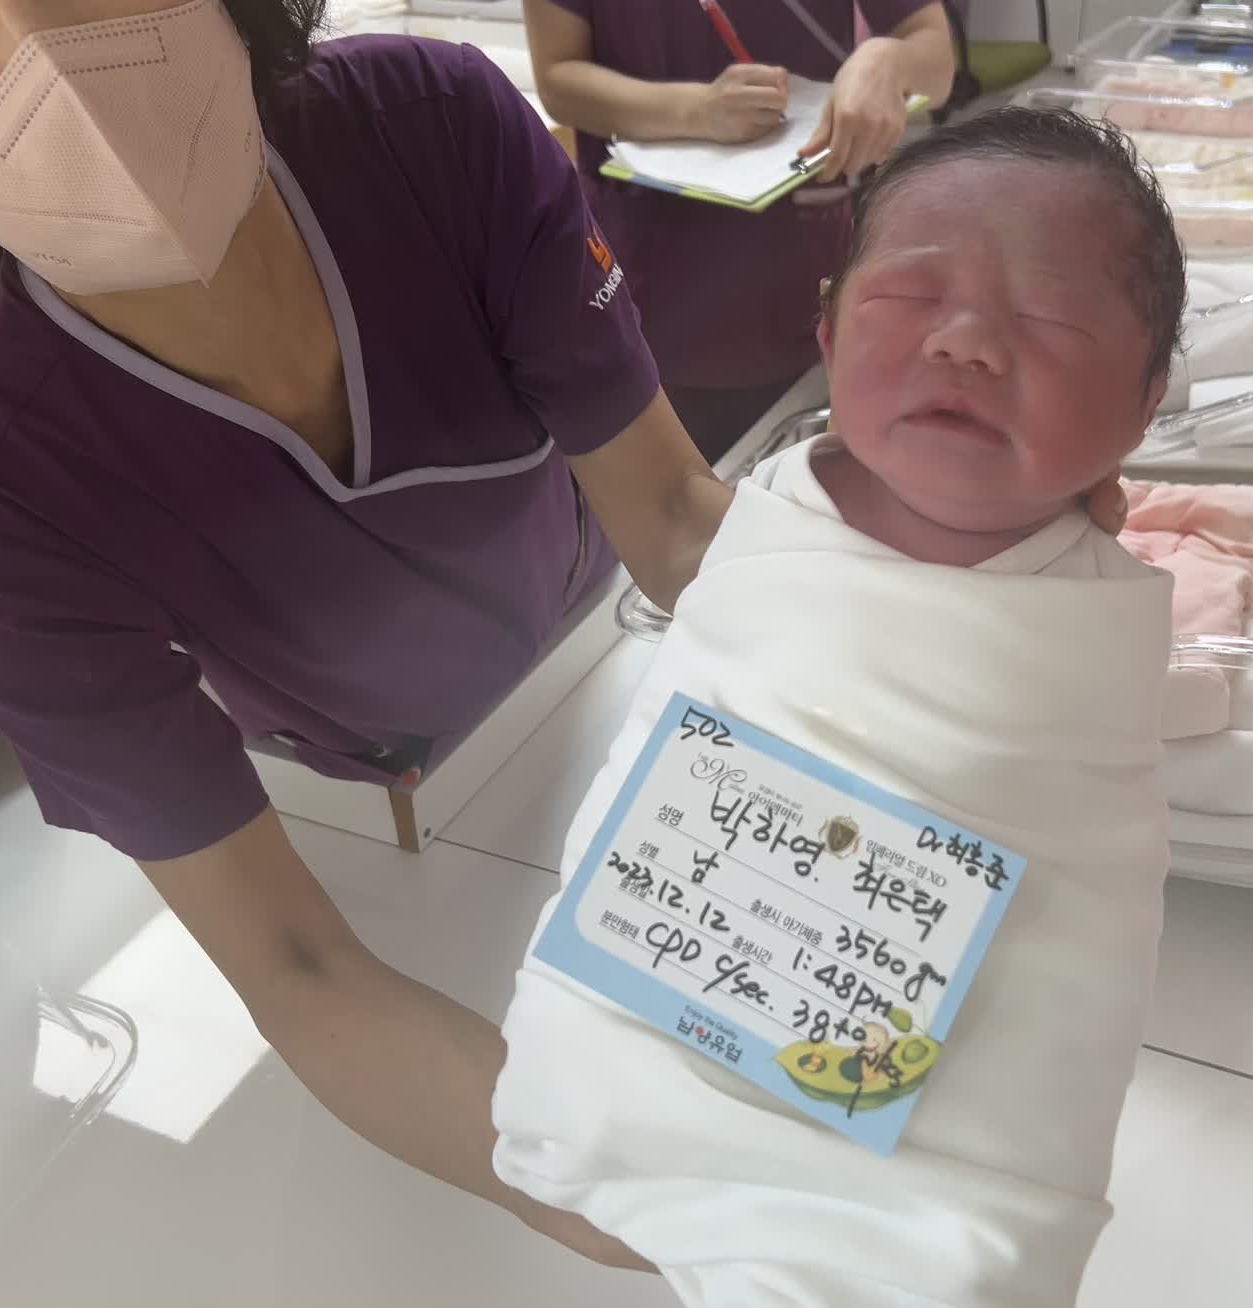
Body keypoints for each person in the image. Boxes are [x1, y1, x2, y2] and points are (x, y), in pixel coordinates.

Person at [0, 0, 1127, 1273]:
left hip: (616, 672)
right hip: (378, 814)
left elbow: (676, 522)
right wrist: (660, 1212)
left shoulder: (426, 130)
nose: (41, 54)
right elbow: (299, 963)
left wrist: (974, 633)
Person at [490, 107, 1187, 1307]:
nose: (964, 341)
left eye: (1047, 317)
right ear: (825, 329)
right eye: (911, 295)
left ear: (1144, 401)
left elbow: (1082, 920)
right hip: (668, 1012)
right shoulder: (767, 518)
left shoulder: (1096, 630)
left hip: (948, 1177)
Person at [525, 0, 957, 461]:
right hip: (645, 283)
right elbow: (558, 80)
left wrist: (886, 60)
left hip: (804, 279)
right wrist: (695, 110)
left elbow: (935, 58)